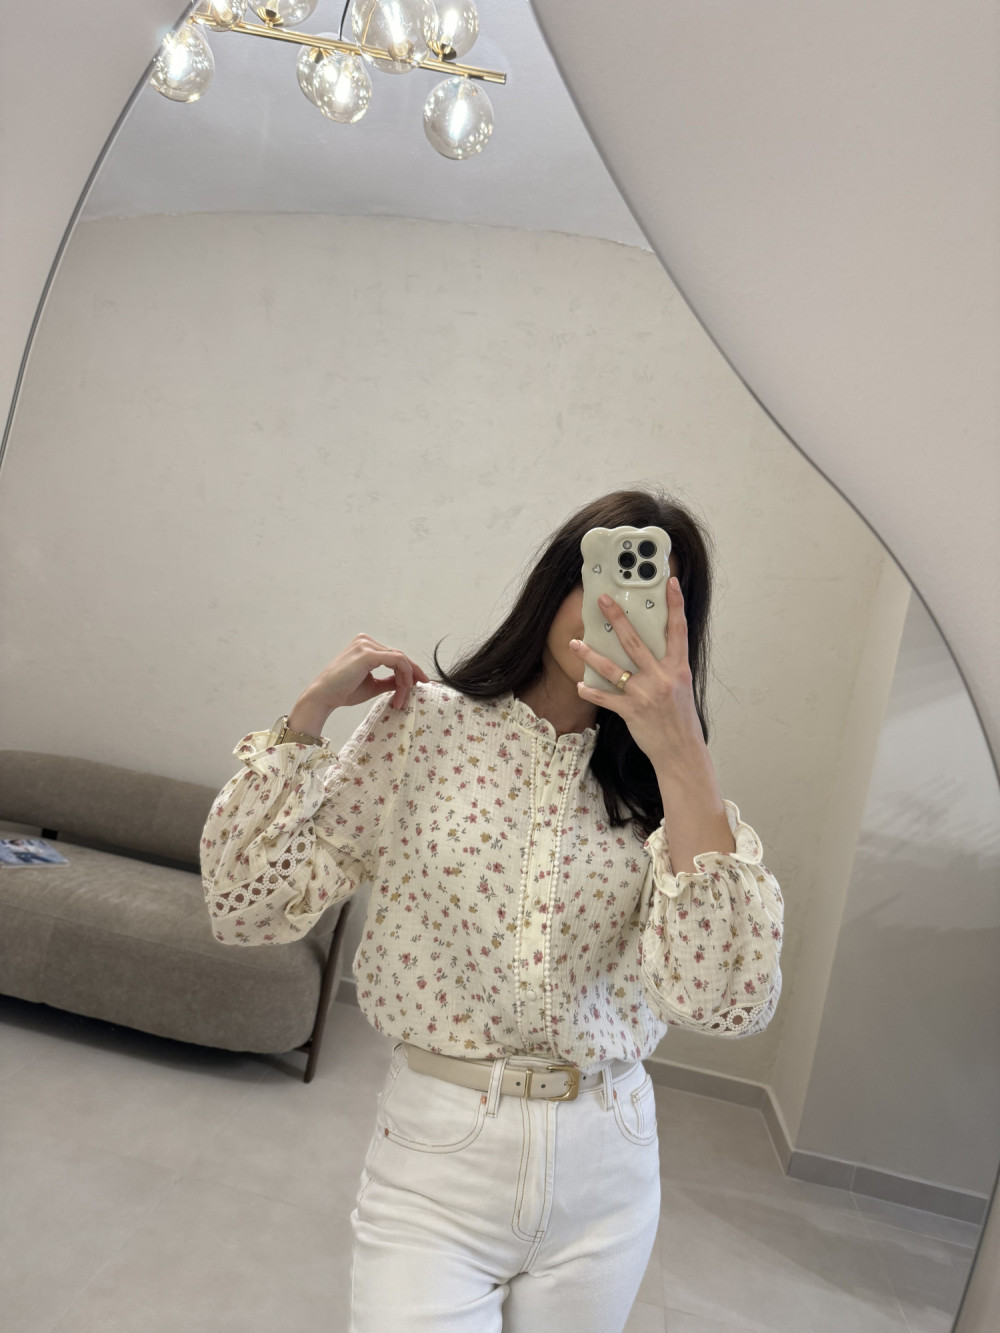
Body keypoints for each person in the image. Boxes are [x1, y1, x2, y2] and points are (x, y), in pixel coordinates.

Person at [201, 488, 784, 1333]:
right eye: (603, 575)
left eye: (653, 596)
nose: (618, 611)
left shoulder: (669, 789)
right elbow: (246, 902)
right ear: (556, 581)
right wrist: (309, 715)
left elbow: (724, 1001)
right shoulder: (426, 727)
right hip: (437, 1158)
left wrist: (682, 752)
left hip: (610, 1167)